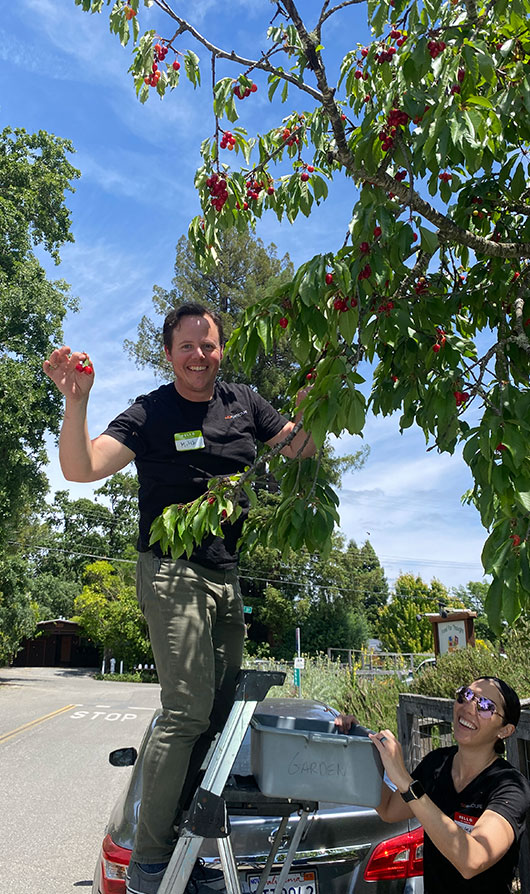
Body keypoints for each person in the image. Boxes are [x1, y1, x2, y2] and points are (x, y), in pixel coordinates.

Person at [43, 303, 315, 894]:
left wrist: (317, 398)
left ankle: (193, 837)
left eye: (209, 345)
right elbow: (81, 467)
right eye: (187, 346)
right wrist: (77, 399)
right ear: (168, 353)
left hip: (227, 576)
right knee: (187, 708)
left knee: (220, 715)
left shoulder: (244, 404)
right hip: (170, 569)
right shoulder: (151, 412)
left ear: (222, 350)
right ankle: (148, 859)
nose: (199, 356)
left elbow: (302, 449)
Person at [335, 676, 530, 893]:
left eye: (485, 706)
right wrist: (353, 748)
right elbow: (389, 809)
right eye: (466, 695)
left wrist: (404, 780)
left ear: (504, 731)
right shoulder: (437, 763)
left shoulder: (509, 787)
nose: (468, 708)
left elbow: (472, 860)